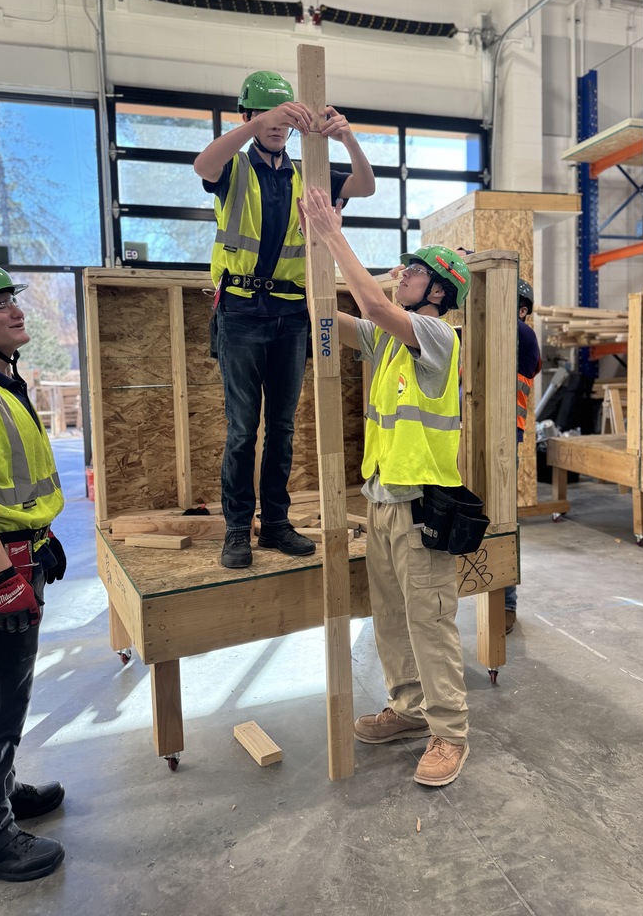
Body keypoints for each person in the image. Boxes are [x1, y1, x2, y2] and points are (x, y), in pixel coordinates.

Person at [298, 187, 472, 788]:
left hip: (423, 507)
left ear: (438, 292)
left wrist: (334, 235)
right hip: (380, 501)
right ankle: (408, 709)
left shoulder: (435, 340)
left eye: (413, 272)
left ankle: (449, 732)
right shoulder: (390, 343)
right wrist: (311, 243)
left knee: (430, 620)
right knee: (391, 618)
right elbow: (327, 313)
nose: (401, 275)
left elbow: (371, 307)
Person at [194, 70, 375, 569]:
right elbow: (202, 165)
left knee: (282, 427)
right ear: (248, 116)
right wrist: (257, 127)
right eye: (265, 117)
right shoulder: (236, 169)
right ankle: (238, 529)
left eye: (284, 119)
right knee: (241, 430)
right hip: (241, 312)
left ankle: (275, 524)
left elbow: (365, 186)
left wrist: (347, 138)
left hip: (292, 312)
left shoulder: (308, 173)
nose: (277, 127)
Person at [0, 263, 67, 882]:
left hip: (17, 554)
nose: (16, 309)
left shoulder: (2, 379)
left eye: (13, 298)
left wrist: (45, 534)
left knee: (10, 694)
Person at [508, 277, 542, 633]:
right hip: (474, 435)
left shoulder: (522, 333)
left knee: (503, 518)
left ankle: (505, 603)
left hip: (503, 436)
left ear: (521, 310)